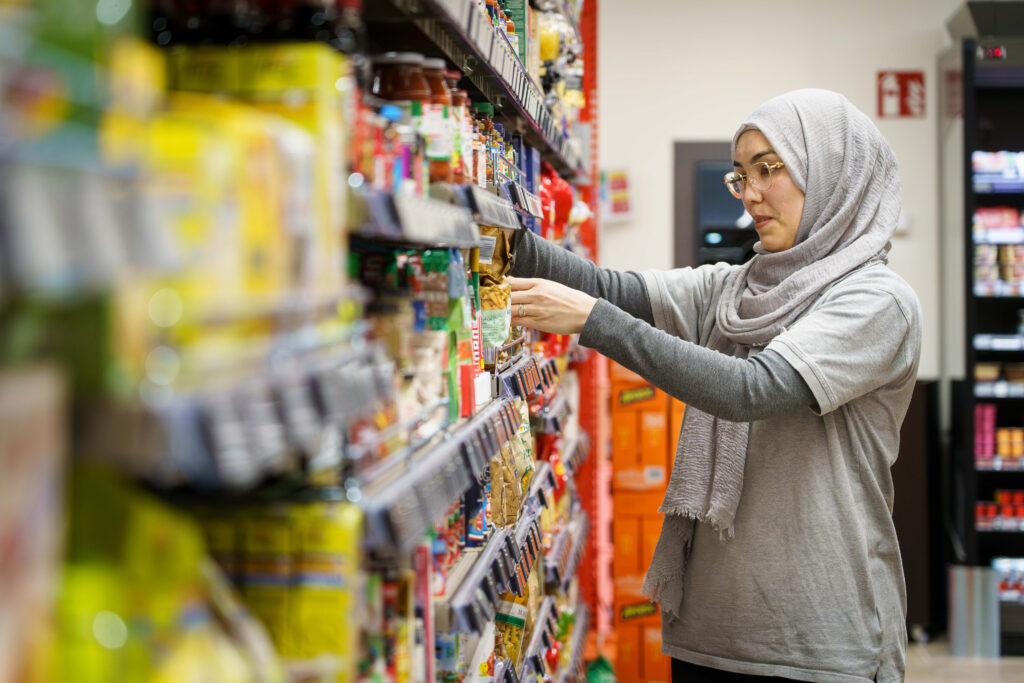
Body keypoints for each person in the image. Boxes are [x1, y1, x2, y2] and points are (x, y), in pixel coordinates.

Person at [508, 89, 921, 683]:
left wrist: (591, 321)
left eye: (768, 169)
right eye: (740, 175)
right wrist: (498, 232)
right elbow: (612, 286)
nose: (750, 193)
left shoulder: (877, 301)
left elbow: (752, 391)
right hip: (709, 633)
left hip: (819, 643)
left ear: (834, 172)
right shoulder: (735, 289)